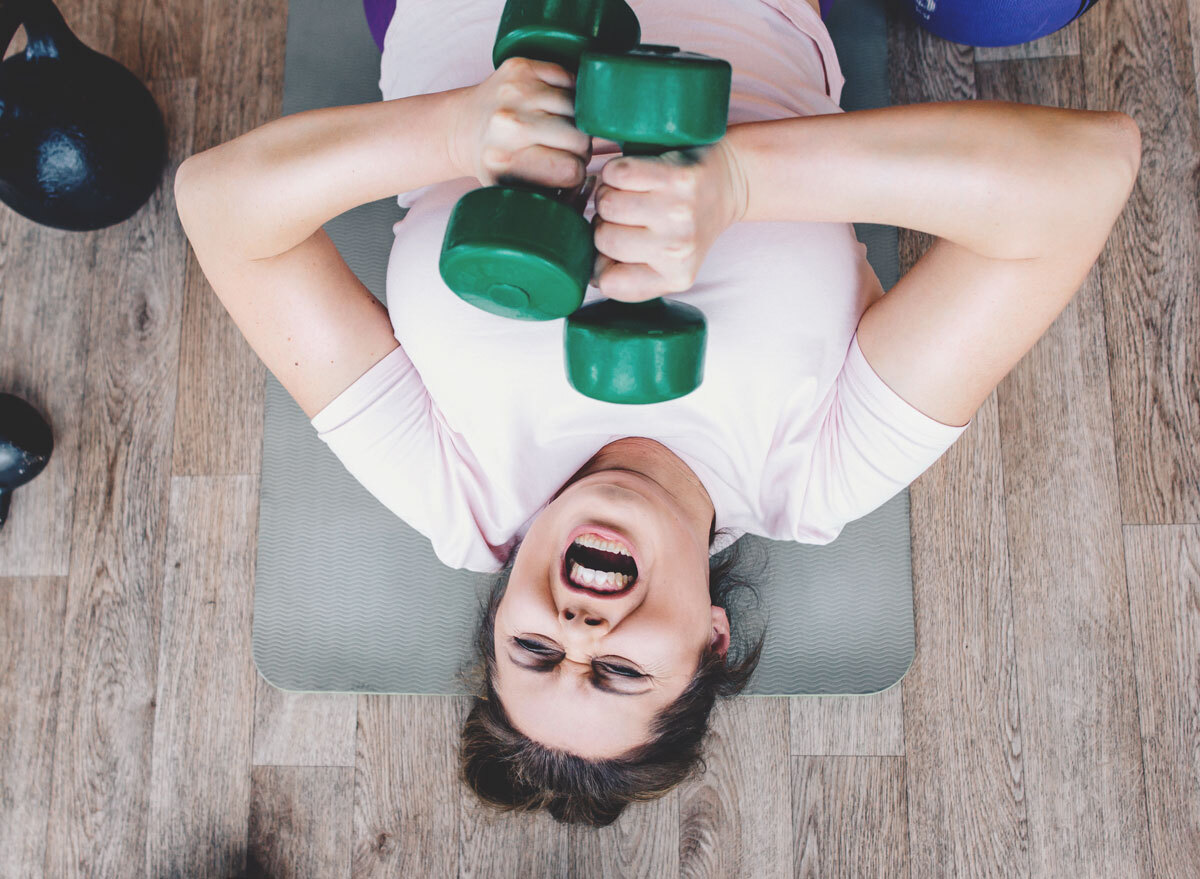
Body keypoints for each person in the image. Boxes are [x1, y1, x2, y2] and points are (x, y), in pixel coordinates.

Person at [174, 0, 1140, 826]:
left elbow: (219, 208)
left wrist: (456, 132)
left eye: (537, 650)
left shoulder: (454, 493)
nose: (580, 627)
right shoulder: (819, 470)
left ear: (503, 600)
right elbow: (1084, 175)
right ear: (712, 638)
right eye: (618, 672)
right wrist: (741, 182)